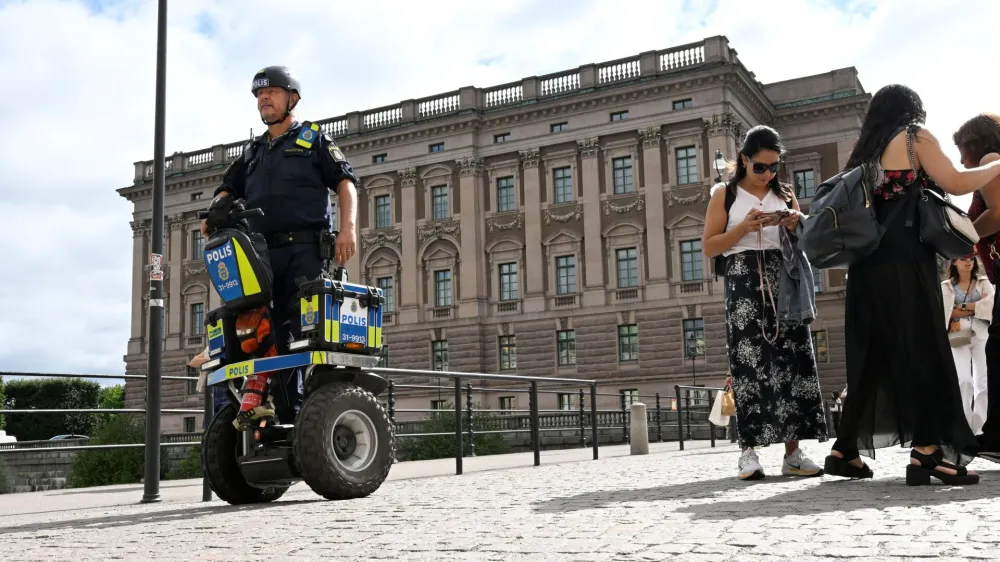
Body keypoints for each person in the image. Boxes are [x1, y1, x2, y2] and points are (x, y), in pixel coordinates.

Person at [824, 85, 1000, 486]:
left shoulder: (865, 155)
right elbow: (955, 182)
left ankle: (844, 449)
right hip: (905, 261)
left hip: (866, 267)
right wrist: (997, 165)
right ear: (912, 110)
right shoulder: (913, 137)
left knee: (873, 359)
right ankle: (927, 452)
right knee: (924, 350)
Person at [200, 66, 360, 425]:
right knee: (251, 330)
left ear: (292, 98)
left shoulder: (313, 139)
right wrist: (216, 209)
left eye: (270, 92)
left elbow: (345, 183)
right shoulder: (254, 151)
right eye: (259, 95)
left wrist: (347, 230)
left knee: (298, 332)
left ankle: (301, 411)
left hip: (304, 252)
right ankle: (257, 406)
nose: (263, 100)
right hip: (258, 254)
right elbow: (228, 186)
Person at [702, 125, 829, 481]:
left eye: (774, 166)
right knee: (749, 364)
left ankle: (793, 453)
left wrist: (794, 222)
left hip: (785, 276)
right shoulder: (723, 195)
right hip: (743, 279)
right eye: (760, 166)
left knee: (794, 361)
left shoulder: (785, 192)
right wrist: (743, 228)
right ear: (744, 159)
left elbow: (803, 241)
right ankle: (749, 453)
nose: (768, 174)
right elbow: (710, 246)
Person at [955, 112, 1000, 460]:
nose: (960, 161)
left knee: (997, 348)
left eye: (961, 151)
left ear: (975, 144)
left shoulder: (991, 159)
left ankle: (996, 435)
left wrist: (962, 236)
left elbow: (998, 212)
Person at [941, 253, 993, 434]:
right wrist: (975, 306)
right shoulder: (946, 287)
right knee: (964, 381)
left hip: (982, 332)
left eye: (971, 259)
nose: (968, 262)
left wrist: (960, 308)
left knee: (983, 383)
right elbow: (946, 313)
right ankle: (963, 426)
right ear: (954, 262)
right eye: (963, 259)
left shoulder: (984, 282)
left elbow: (991, 304)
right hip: (957, 333)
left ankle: (980, 429)